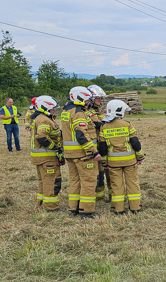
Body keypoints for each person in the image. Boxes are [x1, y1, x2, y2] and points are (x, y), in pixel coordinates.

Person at [59, 86, 101, 217]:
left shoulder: (66, 111)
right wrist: (94, 151)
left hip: (70, 154)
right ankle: (87, 211)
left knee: (75, 181)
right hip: (82, 155)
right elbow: (81, 134)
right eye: (87, 100)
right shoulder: (78, 113)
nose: (89, 103)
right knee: (89, 181)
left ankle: (74, 208)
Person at [98, 99, 144, 214]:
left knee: (116, 185)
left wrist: (104, 163)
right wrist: (140, 157)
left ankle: (118, 209)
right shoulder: (127, 125)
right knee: (132, 183)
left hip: (113, 163)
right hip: (129, 161)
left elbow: (102, 148)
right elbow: (135, 143)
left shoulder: (104, 127)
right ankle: (135, 207)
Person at [30, 96, 63, 211]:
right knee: (51, 181)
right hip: (47, 157)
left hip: (40, 158)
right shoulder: (44, 120)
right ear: (46, 107)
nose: (54, 110)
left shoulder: (41, 118)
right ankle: (51, 207)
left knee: (43, 181)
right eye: (53, 108)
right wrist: (55, 148)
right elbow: (42, 137)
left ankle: (41, 204)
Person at [87, 85, 108, 201]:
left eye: (100, 98)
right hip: (92, 146)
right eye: (97, 98)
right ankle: (93, 195)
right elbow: (99, 123)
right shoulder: (88, 111)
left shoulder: (98, 109)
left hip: (100, 143)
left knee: (101, 172)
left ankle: (100, 197)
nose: (99, 100)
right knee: (94, 173)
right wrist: (104, 117)